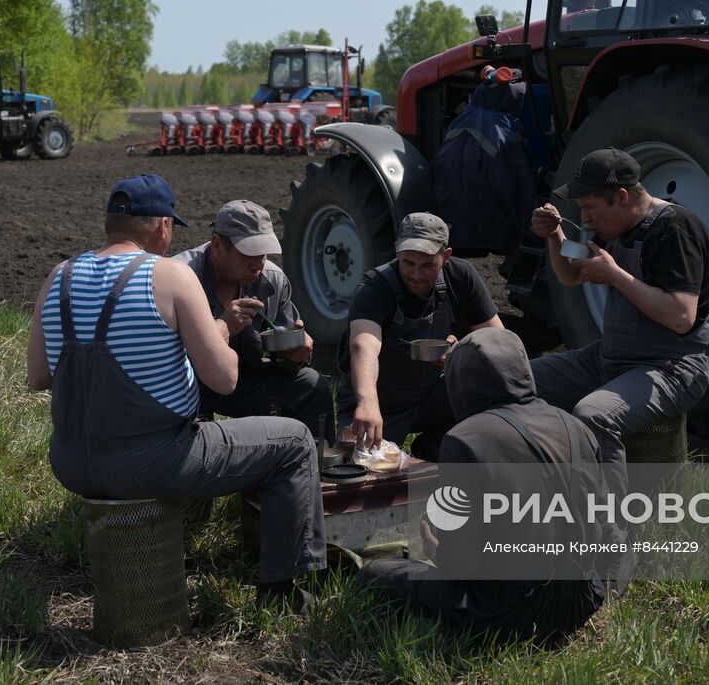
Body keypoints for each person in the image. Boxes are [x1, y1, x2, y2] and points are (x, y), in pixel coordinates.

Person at [26, 174, 325, 605]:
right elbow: (225, 379)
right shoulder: (171, 275)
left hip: (71, 460)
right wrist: (222, 326)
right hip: (151, 461)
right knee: (294, 441)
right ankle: (281, 592)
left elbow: (39, 377)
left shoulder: (59, 275)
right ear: (164, 226)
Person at [359, 328, 606, 644]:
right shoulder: (574, 425)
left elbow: (463, 564)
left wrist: (435, 547)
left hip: (507, 617)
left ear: (461, 381)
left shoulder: (466, 440)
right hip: (581, 600)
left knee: (376, 574)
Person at [529, 148, 709, 470]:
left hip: (670, 366)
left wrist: (616, 276)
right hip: (612, 357)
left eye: (589, 207)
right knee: (513, 379)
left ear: (622, 196)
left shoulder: (674, 229)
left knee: (594, 416)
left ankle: (610, 518)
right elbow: (572, 274)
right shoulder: (614, 227)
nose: (585, 218)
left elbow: (681, 317)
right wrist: (555, 236)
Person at [344, 212, 504, 461]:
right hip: (382, 400)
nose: (417, 275)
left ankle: (437, 446)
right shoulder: (374, 288)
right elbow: (363, 345)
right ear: (397, 252)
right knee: (364, 469)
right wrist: (367, 402)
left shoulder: (460, 277)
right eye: (408, 263)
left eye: (428, 265)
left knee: (491, 393)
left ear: (447, 256)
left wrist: (463, 353)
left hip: (433, 395)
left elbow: (500, 343)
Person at [175, 200, 333, 442]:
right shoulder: (180, 278)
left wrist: (294, 353)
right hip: (186, 384)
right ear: (217, 244)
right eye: (248, 252)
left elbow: (283, 353)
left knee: (312, 385)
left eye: (263, 252)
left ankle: (317, 469)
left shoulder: (271, 280)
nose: (258, 263)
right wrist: (223, 327)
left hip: (244, 379)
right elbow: (163, 362)